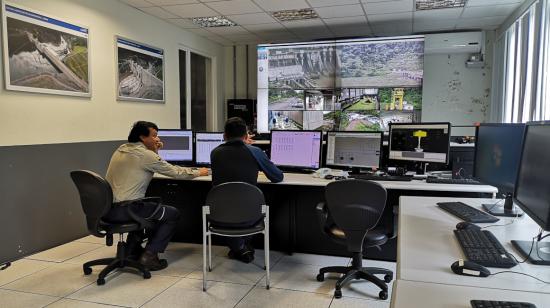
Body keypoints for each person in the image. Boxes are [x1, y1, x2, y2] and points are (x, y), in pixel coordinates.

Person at [105, 121, 208, 271]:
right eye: (154, 136)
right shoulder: (145, 155)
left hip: (109, 208)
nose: (157, 139)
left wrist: (153, 150)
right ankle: (150, 256)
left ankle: (130, 251)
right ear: (142, 137)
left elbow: (155, 164)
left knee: (146, 209)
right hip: (128, 209)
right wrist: (200, 172)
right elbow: (174, 172)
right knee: (172, 214)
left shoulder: (122, 149)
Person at [210, 117, 283, 263]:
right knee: (250, 209)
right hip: (250, 215)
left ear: (224, 136)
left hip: (219, 215)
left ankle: (239, 248)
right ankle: (241, 247)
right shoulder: (255, 151)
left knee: (233, 209)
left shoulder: (215, 152)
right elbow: (277, 177)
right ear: (245, 135)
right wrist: (253, 150)